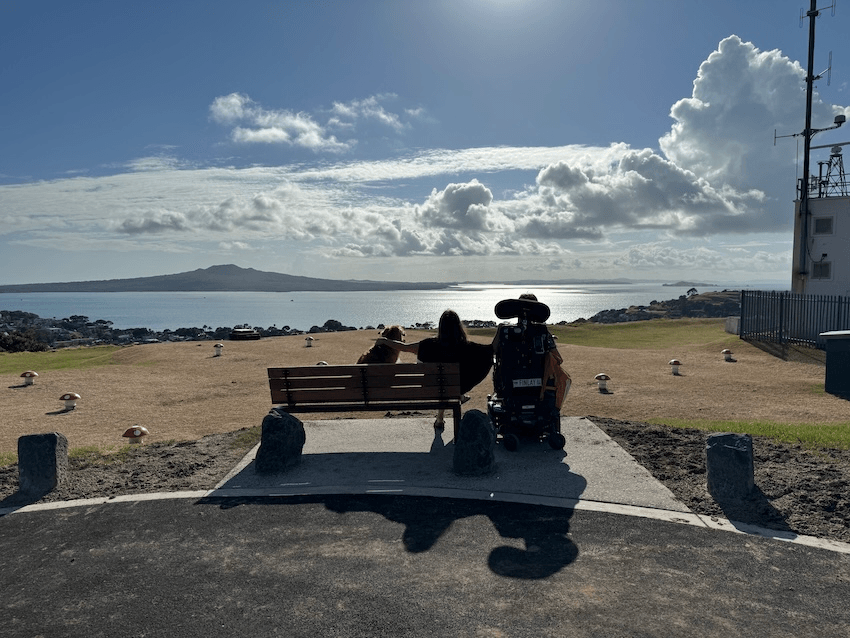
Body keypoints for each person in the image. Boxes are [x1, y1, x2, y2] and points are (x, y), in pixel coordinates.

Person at [376, 309, 493, 428]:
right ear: (459, 327)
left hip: (431, 389)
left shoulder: (428, 345)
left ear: (440, 326)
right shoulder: (467, 347)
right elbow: (490, 351)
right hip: (454, 389)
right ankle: (457, 397)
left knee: (440, 382)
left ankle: (440, 417)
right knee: (448, 384)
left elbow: (405, 348)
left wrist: (384, 341)